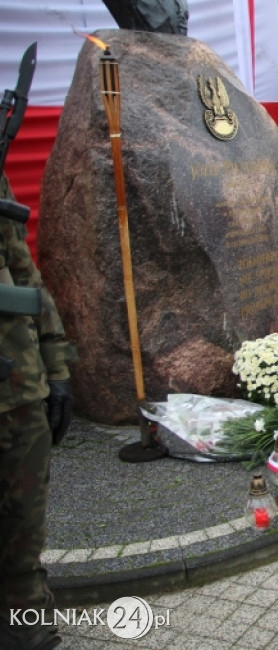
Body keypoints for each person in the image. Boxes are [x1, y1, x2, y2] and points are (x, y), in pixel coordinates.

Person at [1, 174, 76, 650]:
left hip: (20, 388)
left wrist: (56, 365)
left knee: (23, 528)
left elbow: (24, 274)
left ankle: (26, 628)